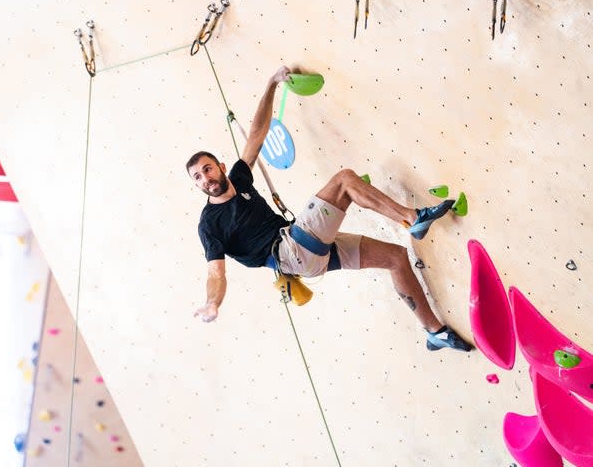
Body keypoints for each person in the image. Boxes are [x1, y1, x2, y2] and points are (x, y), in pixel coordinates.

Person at [186, 66, 472, 352]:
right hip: (292, 252)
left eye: (207, 170)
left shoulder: (238, 177)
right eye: (198, 177)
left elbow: (257, 134)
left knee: (396, 258)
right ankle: (412, 218)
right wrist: (213, 303)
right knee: (345, 181)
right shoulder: (210, 224)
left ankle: (436, 333)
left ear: (221, 168)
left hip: (304, 251)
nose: (206, 179)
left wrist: (272, 84)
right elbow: (215, 274)